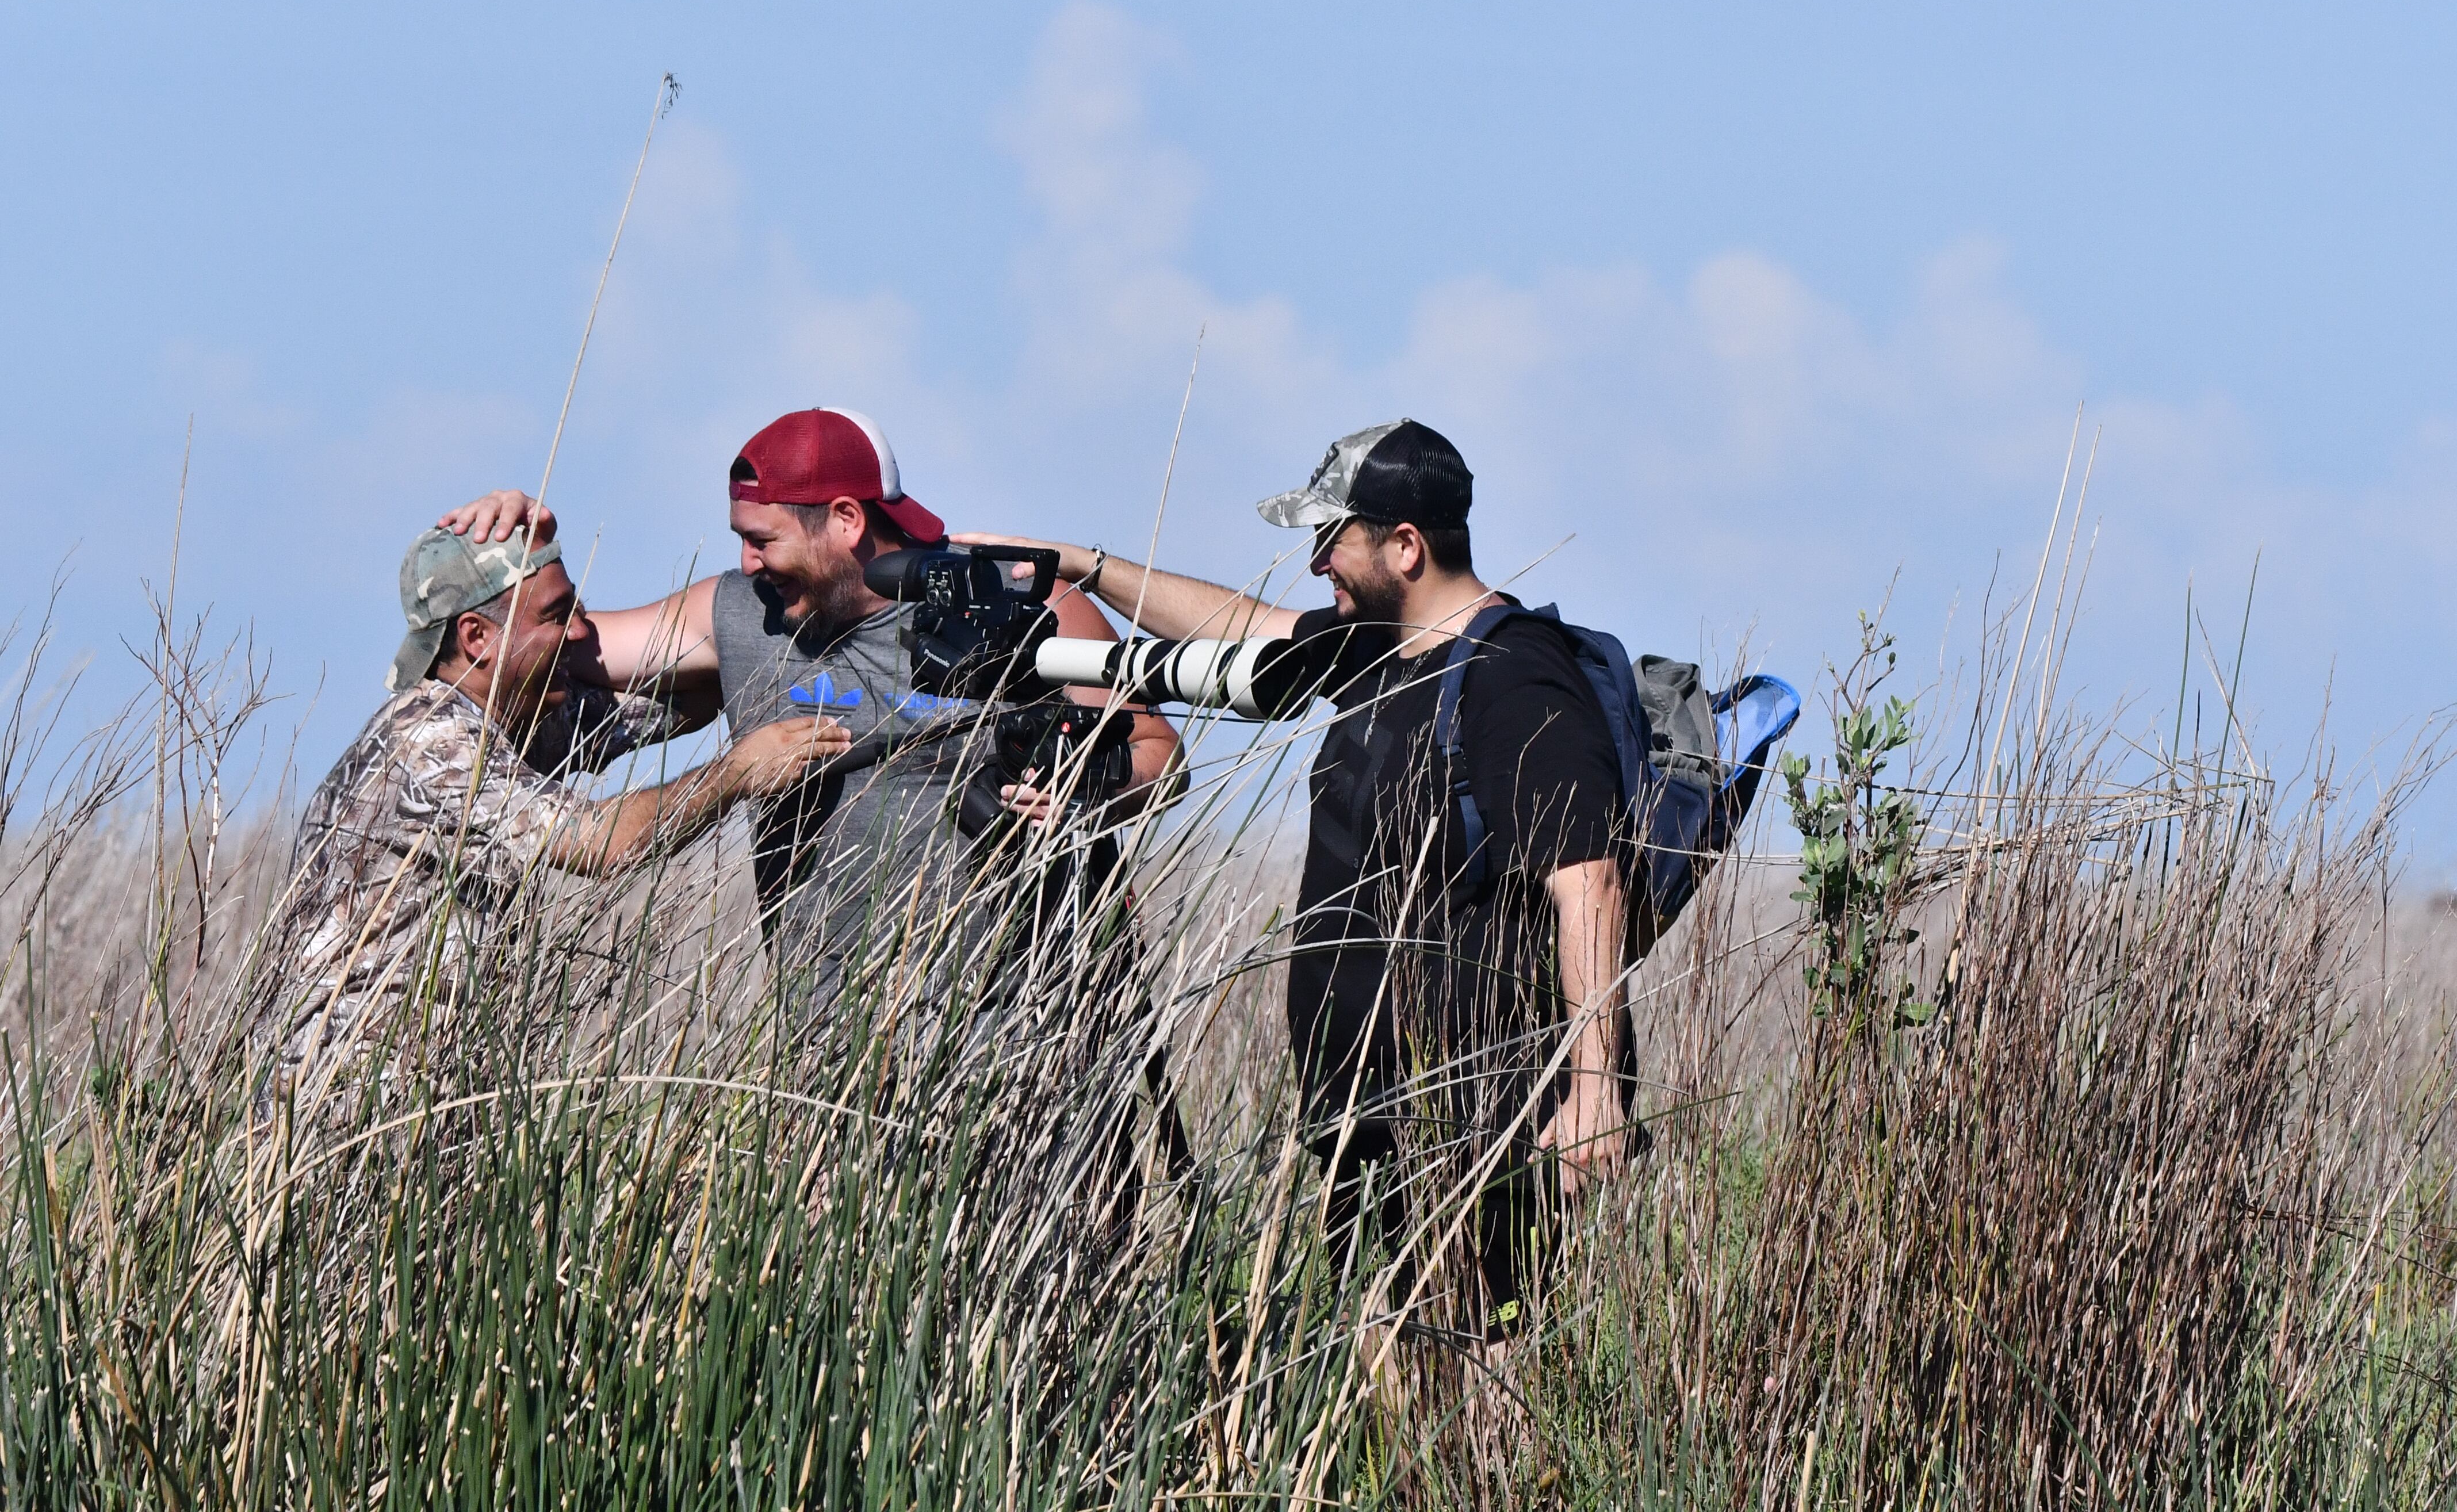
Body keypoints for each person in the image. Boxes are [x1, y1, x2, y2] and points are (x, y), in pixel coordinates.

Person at [965, 419, 1632, 1337]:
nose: (1316, 563)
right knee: (1387, 1378)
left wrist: (1594, 1088)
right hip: (1363, 1112)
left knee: (1482, 1374)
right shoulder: (1378, 651)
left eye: (1332, 539)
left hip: (1477, 1115)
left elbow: (1588, 884)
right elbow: (1240, 628)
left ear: (1405, 545)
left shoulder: (1513, 674)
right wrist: (1082, 565)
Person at [438, 407, 1184, 1015]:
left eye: (762, 541)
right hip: (832, 1072)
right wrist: (509, 546)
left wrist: (1086, 793)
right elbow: (548, 642)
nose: (749, 563)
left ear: (847, 519)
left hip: (1025, 1046)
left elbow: (1160, 755)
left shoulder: (1020, 605)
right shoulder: (733, 614)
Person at [260, 525, 851, 1116]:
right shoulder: (434, 740)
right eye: (556, 615)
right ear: (477, 637)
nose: (578, 632)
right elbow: (603, 843)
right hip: (339, 1098)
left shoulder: (509, 724)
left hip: (400, 1091)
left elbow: (678, 703)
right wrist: (738, 773)